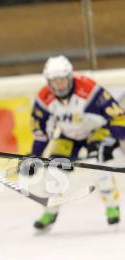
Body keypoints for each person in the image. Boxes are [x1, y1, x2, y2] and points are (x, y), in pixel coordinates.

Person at [24, 55, 125, 232]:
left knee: (98, 166)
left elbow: (117, 116)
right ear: (48, 82)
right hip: (68, 136)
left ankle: (112, 206)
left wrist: (114, 137)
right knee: (55, 173)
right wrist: (35, 155)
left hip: (96, 132)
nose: (60, 86)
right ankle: (50, 211)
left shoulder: (91, 90)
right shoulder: (44, 98)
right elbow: (40, 130)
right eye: (55, 82)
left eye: (63, 80)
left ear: (70, 77)